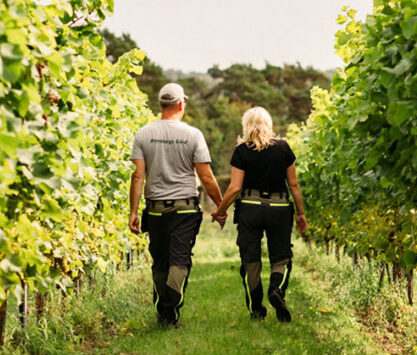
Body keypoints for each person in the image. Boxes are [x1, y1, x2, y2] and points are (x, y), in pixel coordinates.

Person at [129, 82, 226, 328]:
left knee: (160, 260)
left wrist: (133, 211)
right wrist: (221, 206)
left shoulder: (143, 134)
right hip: (185, 208)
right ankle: (169, 303)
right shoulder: (193, 135)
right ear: (181, 104)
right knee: (180, 259)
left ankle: (165, 314)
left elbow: (138, 176)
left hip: (155, 209)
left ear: (161, 104)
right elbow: (206, 177)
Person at [212, 107, 307, 322]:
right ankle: (276, 289)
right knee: (281, 256)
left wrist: (220, 211)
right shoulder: (283, 148)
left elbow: (235, 188)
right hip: (280, 208)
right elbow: (293, 184)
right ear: (269, 124)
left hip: (250, 208)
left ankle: (257, 308)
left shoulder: (241, 151)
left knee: (250, 259)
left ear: (246, 125)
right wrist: (300, 213)